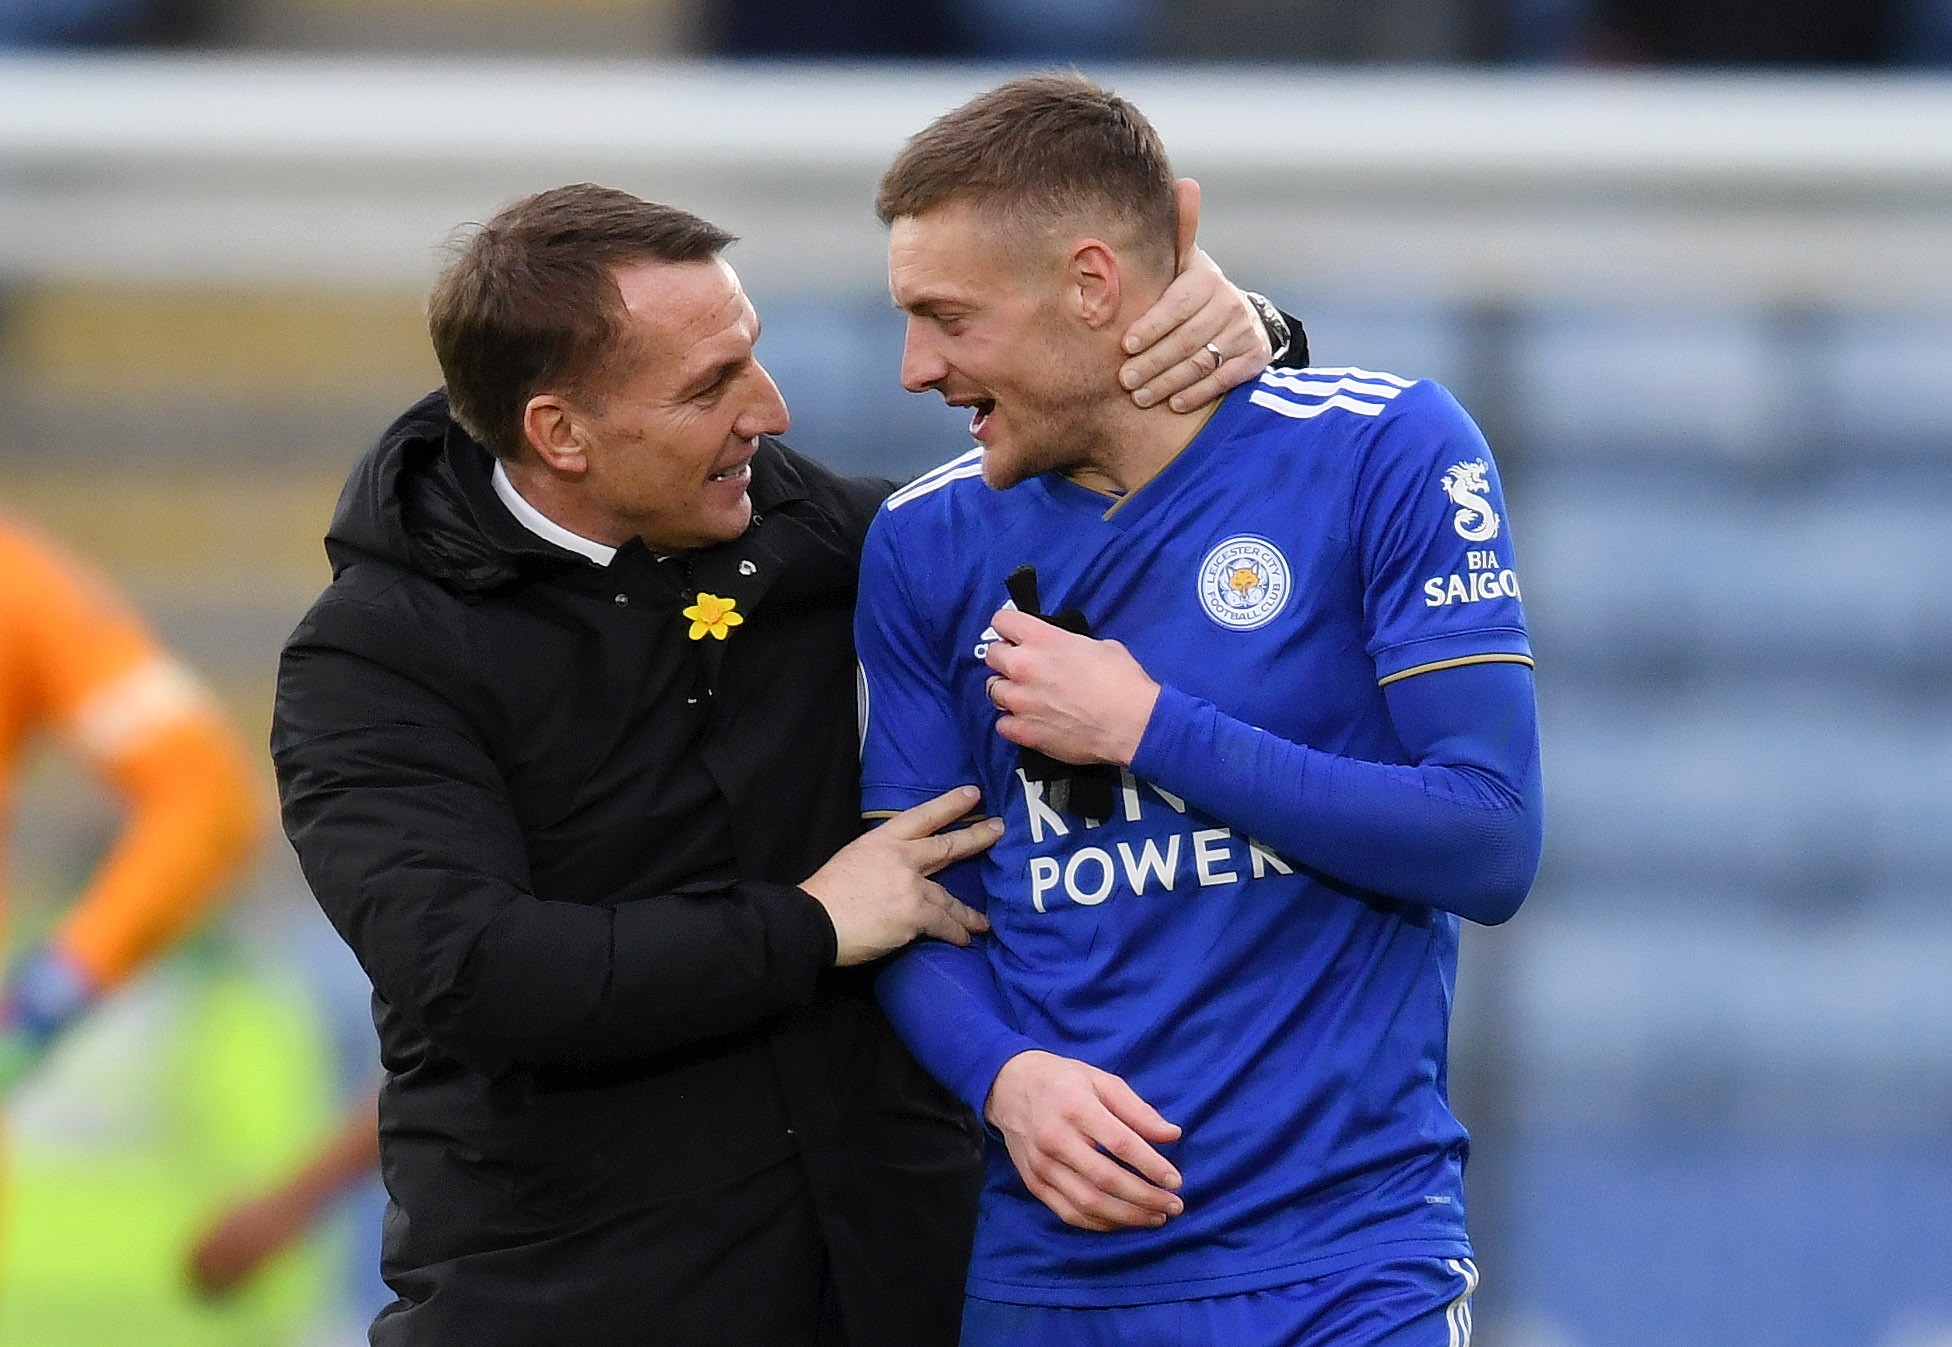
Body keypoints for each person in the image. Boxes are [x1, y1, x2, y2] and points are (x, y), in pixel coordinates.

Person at [271, 181, 1286, 1346]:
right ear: (560, 435)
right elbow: (475, 972)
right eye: (710, 386)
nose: (770, 408)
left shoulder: (810, 531)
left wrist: (1231, 350)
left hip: (896, 1295)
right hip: (567, 1313)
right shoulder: (377, 657)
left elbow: (1097, 524)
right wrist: (809, 924)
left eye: (749, 353)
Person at [856, 73, 1544, 1347]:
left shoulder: (1383, 449)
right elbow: (910, 900)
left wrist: (1148, 729)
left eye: (947, 318)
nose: (914, 368)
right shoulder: (923, 541)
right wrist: (1001, 1077)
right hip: (1054, 1282)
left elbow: (1487, 839)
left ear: (1091, 284)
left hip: (1344, 1271)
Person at [0, 514, 260, 1101]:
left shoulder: (19, 591)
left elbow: (203, 793)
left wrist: (52, 992)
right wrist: (55, 990)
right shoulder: (19, 585)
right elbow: (207, 793)